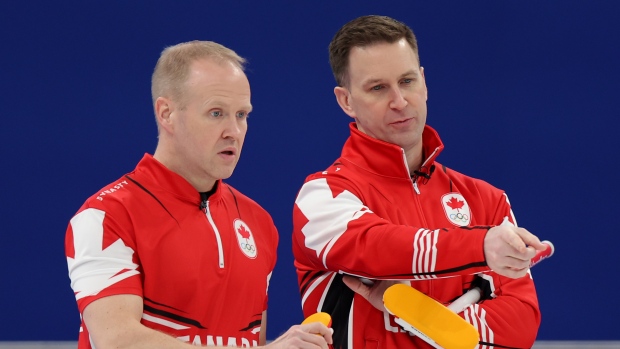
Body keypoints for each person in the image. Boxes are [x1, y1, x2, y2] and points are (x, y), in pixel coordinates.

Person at [292, 15, 546, 349]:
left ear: (424, 82)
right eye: (378, 88)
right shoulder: (322, 196)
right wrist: (482, 246)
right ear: (346, 101)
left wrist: (421, 317)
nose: (399, 101)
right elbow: (379, 246)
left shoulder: (487, 200)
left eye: (407, 81)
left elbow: (521, 325)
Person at [65, 40, 332, 349]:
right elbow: (118, 341)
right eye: (216, 113)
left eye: (242, 115)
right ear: (166, 114)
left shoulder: (258, 223)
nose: (234, 130)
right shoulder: (107, 216)